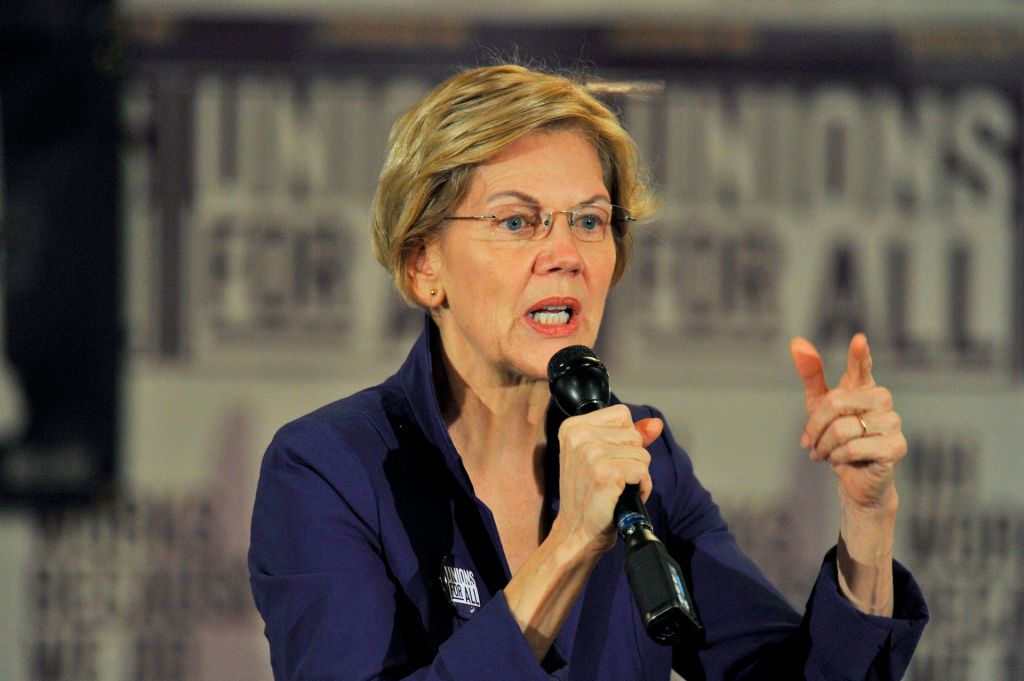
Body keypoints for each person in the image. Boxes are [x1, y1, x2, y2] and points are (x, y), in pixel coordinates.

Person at [248, 64, 928, 680]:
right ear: (425, 264)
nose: (565, 253)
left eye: (590, 221)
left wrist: (867, 517)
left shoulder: (644, 457)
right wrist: (571, 543)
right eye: (518, 222)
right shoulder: (328, 469)